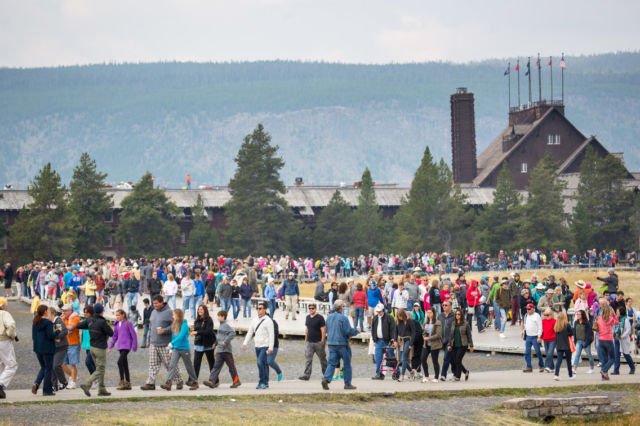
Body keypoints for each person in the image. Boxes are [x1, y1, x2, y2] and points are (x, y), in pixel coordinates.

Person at [141, 295, 184, 390]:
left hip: (165, 344)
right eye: (153, 303)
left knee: (170, 364)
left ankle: (179, 381)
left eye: (156, 303)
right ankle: (150, 383)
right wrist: (148, 340)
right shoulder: (153, 312)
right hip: (153, 343)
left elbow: (176, 326)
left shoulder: (169, 312)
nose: (154, 305)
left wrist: (164, 330)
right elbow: (150, 327)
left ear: (162, 302)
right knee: (152, 364)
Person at [75, 303, 114, 397]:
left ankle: (102, 389)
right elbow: (111, 333)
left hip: (92, 348)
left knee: (100, 369)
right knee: (100, 369)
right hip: (100, 348)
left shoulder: (89, 321)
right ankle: (87, 384)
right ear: (102, 311)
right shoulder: (102, 322)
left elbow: (78, 325)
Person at [321, 300, 358, 390]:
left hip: (331, 343)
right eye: (343, 307)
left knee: (331, 363)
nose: (344, 309)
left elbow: (327, 330)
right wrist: (356, 331)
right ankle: (347, 383)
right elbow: (348, 331)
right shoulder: (343, 318)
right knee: (347, 364)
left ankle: (326, 379)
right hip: (342, 344)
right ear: (340, 308)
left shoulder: (329, 317)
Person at [161, 309, 199, 390]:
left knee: (189, 366)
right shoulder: (174, 324)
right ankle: (168, 383)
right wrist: (171, 348)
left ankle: (195, 382)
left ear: (178, 315)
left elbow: (181, 336)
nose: (172, 316)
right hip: (176, 349)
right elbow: (173, 337)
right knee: (171, 365)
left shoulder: (184, 324)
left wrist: (171, 343)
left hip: (185, 349)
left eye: (174, 315)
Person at [203, 310, 241, 388]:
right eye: (218, 316)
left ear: (223, 317)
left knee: (231, 367)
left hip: (226, 351)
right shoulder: (220, 326)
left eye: (219, 316)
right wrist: (215, 343)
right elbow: (219, 337)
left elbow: (232, 333)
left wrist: (226, 341)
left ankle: (236, 381)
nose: (218, 318)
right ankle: (211, 381)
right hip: (219, 350)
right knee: (216, 366)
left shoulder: (225, 325)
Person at [242, 301, 275, 389]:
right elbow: (250, 332)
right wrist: (245, 343)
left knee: (260, 362)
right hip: (257, 345)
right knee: (264, 364)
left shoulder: (268, 321)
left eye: (260, 309)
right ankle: (266, 382)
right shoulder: (255, 320)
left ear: (265, 310)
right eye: (257, 308)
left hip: (265, 346)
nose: (258, 310)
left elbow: (272, 335)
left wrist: (271, 347)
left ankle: (262, 381)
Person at [108, 309, 137, 390]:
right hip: (120, 347)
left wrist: (134, 346)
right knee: (124, 364)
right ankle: (128, 383)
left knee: (119, 362)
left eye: (118, 315)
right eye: (116, 315)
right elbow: (114, 337)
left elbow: (133, 335)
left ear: (123, 315)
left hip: (127, 346)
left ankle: (122, 381)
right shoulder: (116, 325)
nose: (117, 317)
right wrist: (110, 346)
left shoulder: (128, 323)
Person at [32, 305, 57, 396]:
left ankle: (37, 383)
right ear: (45, 311)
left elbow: (33, 337)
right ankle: (47, 390)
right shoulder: (47, 323)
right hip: (47, 349)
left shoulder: (35, 322)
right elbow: (51, 335)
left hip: (38, 348)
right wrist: (57, 330)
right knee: (48, 369)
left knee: (44, 367)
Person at [299, 302, 327, 381]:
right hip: (309, 343)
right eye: (310, 308)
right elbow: (307, 329)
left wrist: (323, 341)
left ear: (315, 309)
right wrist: (305, 339)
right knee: (308, 359)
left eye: (312, 308)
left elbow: (323, 330)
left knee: (323, 359)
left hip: (318, 342)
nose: (311, 310)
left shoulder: (320, 318)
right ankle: (306, 375)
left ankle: (327, 375)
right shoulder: (307, 317)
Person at [371, 303, 396, 380]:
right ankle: (379, 374)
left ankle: (396, 372)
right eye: (377, 311)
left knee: (390, 358)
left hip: (388, 341)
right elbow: (373, 329)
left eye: (380, 311)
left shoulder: (389, 318)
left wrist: (393, 339)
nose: (378, 313)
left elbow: (393, 329)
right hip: (378, 341)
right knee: (378, 358)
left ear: (383, 310)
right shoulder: (375, 318)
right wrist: (374, 339)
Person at [447, 309, 473, 381]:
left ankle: (458, 377)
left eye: (459, 314)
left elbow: (469, 335)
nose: (457, 316)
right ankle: (465, 371)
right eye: (456, 314)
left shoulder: (466, 324)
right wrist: (449, 344)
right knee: (456, 360)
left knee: (458, 360)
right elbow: (451, 336)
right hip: (454, 344)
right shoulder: (453, 323)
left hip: (463, 344)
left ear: (461, 315)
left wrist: (471, 345)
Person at [191, 304, 216, 379]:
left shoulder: (209, 320)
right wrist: (194, 331)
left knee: (211, 363)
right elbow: (197, 331)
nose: (199, 311)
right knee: (196, 363)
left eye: (201, 309)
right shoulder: (197, 320)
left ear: (205, 310)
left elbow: (208, 331)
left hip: (208, 344)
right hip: (198, 344)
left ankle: (214, 380)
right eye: (199, 309)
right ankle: (193, 380)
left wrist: (197, 332)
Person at [595, 305, 619, 380]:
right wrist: (614, 314)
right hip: (608, 340)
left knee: (604, 359)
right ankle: (604, 370)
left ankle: (604, 376)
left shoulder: (599, 318)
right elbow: (617, 322)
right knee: (612, 358)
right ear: (609, 312)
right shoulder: (610, 319)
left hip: (600, 340)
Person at [0, 297, 17, 399]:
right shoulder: (4, 314)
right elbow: (11, 325)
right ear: (2, 305)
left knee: (1, 365)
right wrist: (11, 335)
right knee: (12, 365)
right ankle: (1, 384)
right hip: (3, 340)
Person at [60, 304, 81, 390]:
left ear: (70, 311)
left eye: (65, 311)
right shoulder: (63, 318)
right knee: (62, 364)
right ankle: (73, 376)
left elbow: (71, 327)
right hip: (64, 344)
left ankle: (73, 381)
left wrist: (61, 323)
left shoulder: (75, 318)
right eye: (63, 311)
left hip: (74, 343)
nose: (63, 312)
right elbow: (58, 329)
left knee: (73, 363)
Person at [421, 307, 442, 383]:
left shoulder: (437, 322)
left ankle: (436, 377)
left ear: (433, 313)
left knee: (434, 360)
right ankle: (426, 376)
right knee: (423, 359)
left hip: (435, 345)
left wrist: (428, 338)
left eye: (430, 312)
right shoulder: (425, 322)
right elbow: (423, 331)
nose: (429, 314)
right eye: (428, 312)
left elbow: (438, 335)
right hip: (426, 344)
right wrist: (423, 335)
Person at [613, 305, 636, 375]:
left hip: (624, 340)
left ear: (621, 312)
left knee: (626, 354)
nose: (616, 312)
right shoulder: (616, 319)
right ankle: (616, 370)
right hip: (617, 339)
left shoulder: (625, 320)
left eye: (617, 311)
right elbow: (614, 328)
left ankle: (632, 367)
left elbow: (628, 330)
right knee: (616, 354)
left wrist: (622, 336)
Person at [51, 306, 69, 391]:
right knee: (52, 366)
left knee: (56, 366)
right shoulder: (51, 322)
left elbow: (64, 331)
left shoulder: (57, 321)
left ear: (52, 314)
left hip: (61, 346)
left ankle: (64, 381)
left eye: (47, 314)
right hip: (54, 347)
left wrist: (58, 337)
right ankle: (54, 385)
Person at [572, 309, 595, 374]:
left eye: (579, 314)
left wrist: (587, 342)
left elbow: (589, 333)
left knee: (589, 355)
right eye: (577, 314)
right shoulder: (576, 322)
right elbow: (574, 332)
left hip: (585, 341)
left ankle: (592, 367)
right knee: (577, 355)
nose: (578, 315)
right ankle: (574, 368)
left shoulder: (587, 323)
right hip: (578, 341)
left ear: (582, 315)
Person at [552, 311, 573, 381]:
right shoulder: (567, 325)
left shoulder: (556, 326)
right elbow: (571, 333)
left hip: (559, 345)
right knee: (568, 361)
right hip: (567, 345)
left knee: (559, 361)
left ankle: (556, 374)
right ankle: (570, 375)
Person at [396, 309, 416, 381]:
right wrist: (394, 341)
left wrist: (411, 343)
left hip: (408, 340)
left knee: (404, 357)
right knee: (401, 359)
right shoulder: (399, 322)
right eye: (398, 316)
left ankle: (402, 375)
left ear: (403, 315)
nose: (399, 318)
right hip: (401, 341)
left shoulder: (409, 321)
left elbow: (414, 332)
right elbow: (396, 332)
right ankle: (411, 371)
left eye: (400, 316)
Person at [438, 300, 456, 381]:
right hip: (442, 340)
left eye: (446, 305)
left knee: (446, 358)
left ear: (450, 307)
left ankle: (443, 375)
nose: (444, 306)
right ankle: (459, 372)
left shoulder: (454, 316)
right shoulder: (440, 316)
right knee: (451, 358)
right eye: (443, 305)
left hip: (450, 341)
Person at [541, 307, 557, 372]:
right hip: (545, 339)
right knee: (548, 353)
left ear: (551, 314)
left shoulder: (554, 321)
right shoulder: (543, 321)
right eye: (545, 315)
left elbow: (556, 330)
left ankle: (547, 366)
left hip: (553, 339)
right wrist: (540, 337)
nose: (546, 316)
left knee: (550, 353)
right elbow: (542, 330)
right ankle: (552, 367)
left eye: (548, 315)